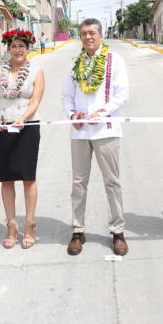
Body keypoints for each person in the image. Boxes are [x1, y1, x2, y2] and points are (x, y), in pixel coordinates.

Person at [61, 18, 129, 256]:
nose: (88, 37)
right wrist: (73, 115)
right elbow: (66, 96)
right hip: (80, 132)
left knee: (112, 182)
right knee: (79, 183)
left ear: (101, 36)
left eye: (92, 33)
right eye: (83, 34)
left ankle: (118, 231)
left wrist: (101, 113)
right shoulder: (75, 64)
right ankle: (78, 231)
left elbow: (122, 94)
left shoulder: (114, 61)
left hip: (106, 129)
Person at [0, 29, 44, 249]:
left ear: (28, 48)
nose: (17, 50)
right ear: (8, 49)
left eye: (22, 46)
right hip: (2, 127)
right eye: (13, 46)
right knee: (7, 177)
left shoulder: (36, 71)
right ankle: (12, 225)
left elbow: (35, 101)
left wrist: (22, 118)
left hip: (27, 126)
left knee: (28, 177)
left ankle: (30, 224)